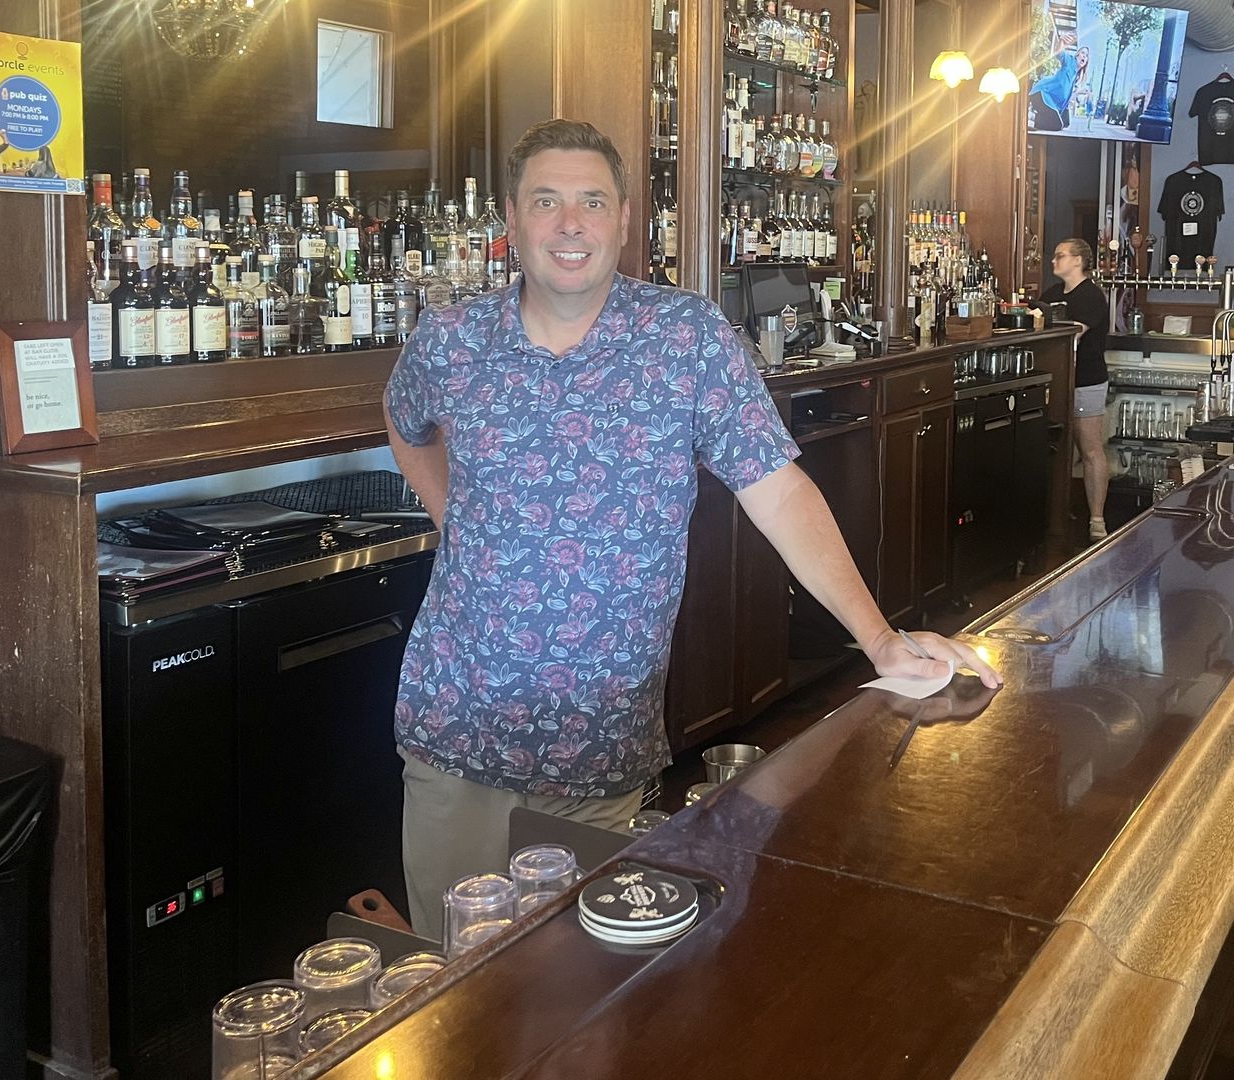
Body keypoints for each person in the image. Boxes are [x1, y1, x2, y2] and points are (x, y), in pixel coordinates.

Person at [384, 119, 1001, 940]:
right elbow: (405, 422)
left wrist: (881, 641)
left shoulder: (685, 339)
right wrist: (455, 518)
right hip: (455, 736)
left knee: (584, 1002)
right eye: (547, 201)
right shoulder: (452, 341)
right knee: (450, 999)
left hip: (601, 752)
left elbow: (780, 493)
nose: (571, 223)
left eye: (591, 202)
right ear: (511, 217)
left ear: (625, 218)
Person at [1038, 238, 1112, 540]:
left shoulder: (1091, 297)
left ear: (1079, 261)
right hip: (1056, 380)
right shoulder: (1052, 293)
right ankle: (1056, 514)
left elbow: (1073, 335)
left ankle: (1097, 520)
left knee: (1090, 448)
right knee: (1055, 449)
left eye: (1060, 255)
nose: (1053, 261)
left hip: (1086, 379)